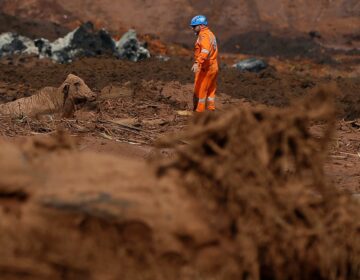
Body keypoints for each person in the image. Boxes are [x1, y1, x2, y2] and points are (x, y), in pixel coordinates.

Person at [190, 15, 219, 112]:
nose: (193, 29)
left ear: (201, 26)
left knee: (202, 89)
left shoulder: (204, 35)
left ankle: (199, 112)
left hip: (207, 67)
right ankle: (210, 109)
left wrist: (197, 62)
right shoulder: (210, 34)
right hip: (213, 65)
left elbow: (205, 51)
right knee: (211, 89)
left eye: (194, 26)